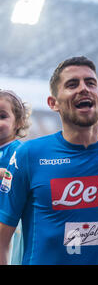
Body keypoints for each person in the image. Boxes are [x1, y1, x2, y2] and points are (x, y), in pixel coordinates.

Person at [0, 56, 98, 264]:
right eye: (72, 84)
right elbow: (2, 240)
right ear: (53, 103)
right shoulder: (28, 155)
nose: (83, 89)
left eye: (90, 83)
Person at [0, 90, 31, 265]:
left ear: (18, 122)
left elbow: (16, 176)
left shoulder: (19, 151)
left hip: (11, 223)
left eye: (2, 116)